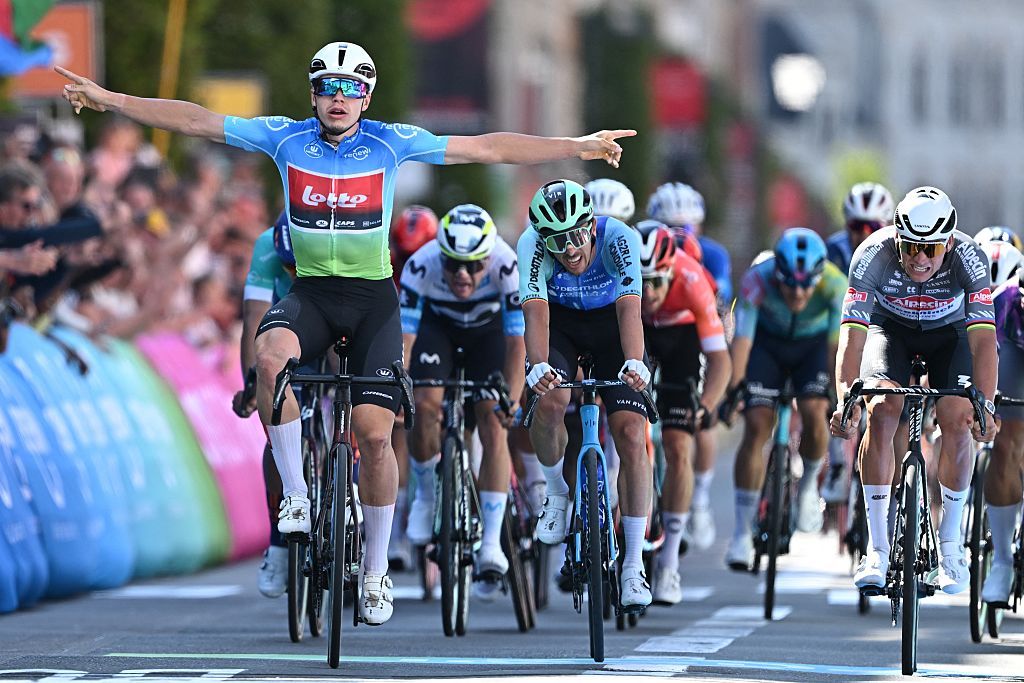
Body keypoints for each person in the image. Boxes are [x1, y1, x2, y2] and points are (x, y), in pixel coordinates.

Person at [58, 42, 634, 625]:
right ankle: (297, 498)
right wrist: (111, 101)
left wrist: (575, 147)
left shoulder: (391, 142)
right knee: (270, 356)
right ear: (314, 93)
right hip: (310, 295)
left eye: (351, 88)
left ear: (367, 96)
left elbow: (486, 148)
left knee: (374, 435)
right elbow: (195, 119)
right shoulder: (284, 138)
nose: (339, 98)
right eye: (329, 87)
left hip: (372, 303)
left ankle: (378, 570)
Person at [830, 186, 998, 595]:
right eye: (910, 248)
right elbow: (851, 339)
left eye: (931, 249)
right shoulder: (872, 254)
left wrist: (986, 406)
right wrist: (844, 400)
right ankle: (877, 549)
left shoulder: (970, 258)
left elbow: (982, 344)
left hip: (949, 335)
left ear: (950, 242)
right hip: (891, 331)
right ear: (897, 238)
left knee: (959, 417)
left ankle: (952, 546)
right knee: (882, 407)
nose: (920, 258)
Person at [518, 178, 653, 610]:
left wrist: (635, 361)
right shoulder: (532, 246)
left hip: (613, 327)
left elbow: (631, 309)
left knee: (631, 432)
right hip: (561, 326)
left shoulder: (620, 238)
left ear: (591, 226)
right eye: (558, 241)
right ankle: (556, 491)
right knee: (551, 400)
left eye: (576, 235)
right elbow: (535, 315)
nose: (570, 249)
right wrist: (537, 365)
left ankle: (634, 566)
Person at [399, 203, 524, 599]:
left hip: (488, 333)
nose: (463, 275)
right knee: (425, 406)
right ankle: (424, 495)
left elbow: (516, 342)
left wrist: (513, 397)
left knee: (492, 421)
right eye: (453, 265)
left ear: (489, 256)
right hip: (440, 330)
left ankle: (490, 543)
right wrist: (400, 390)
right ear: (441, 255)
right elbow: (405, 343)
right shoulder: (420, 266)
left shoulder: (507, 265)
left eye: (473, 266)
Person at [722, 228, 845, 570]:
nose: (798, 292)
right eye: (789, 284)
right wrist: (734, 389)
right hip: (768, 347)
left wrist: (837, 391)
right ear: (777, 273)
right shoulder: (756, 281)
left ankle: (807, 489)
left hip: (814, 348)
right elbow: (743, 342)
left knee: (815, 411)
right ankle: (741, 533)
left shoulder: (836, 285)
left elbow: (838, 346)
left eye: (807, 285)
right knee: (756, 425)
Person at [635, 220, 730, 603]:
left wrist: (705, 407)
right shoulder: (621, 280)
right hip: (635, 331)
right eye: (640, 281)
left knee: (677, 446)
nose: (648, 291)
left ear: (672, 271)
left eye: (657, 281)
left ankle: (670, 561)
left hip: (682, 338)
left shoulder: (692, 279)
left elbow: (719, 360)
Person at [645, 182, 730, 547]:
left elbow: (719, 314)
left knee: (698, 415)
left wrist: (707, 403)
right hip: (648, 325)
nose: (679, 233)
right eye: (668, 225)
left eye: (687, 227)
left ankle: (699, 502)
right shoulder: (640, 252)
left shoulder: (707, 258)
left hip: (692, 322)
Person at [232, 212, 296, 598]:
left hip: (326, 325)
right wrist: (251, 383)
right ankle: (277, 542)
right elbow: (253, 319)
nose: (290, 270)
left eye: (295, 265)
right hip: (281, 330)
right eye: (285, 265)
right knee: (276, 437)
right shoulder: (264, 248)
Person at [820, 182, 896, 504]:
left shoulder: (897, 250)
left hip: (880, 327)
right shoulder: (832, 252)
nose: (863, 234)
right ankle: (837, 458)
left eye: (873, 227)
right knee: (829, 368)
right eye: (856, 227)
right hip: (841, 325)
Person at [983, 267, 1024, 604]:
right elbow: (977, 354)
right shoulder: (1005, 303)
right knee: (1008, 440)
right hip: (1011, 346)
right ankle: (1002, 562)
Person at [827, 182, 895, 275]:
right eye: (857, 226)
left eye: (873, 226)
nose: (865, 235)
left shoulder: (902, 255)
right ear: (847, 226)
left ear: (888, 226)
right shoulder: (834, 251)